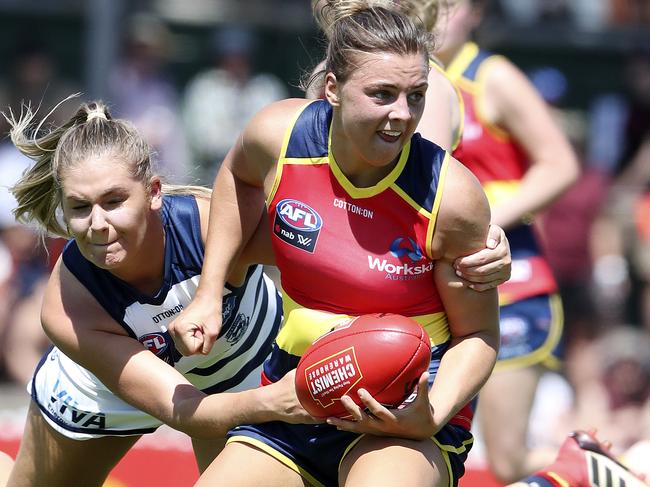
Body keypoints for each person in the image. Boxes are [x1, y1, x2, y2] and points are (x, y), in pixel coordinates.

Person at [170, 4, 501, 486]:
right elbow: (236, 176)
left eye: (416, 96)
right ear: (333, 90)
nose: (402, 115)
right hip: (297, 387)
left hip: (404, 409)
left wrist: (432, 414)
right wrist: (209, 292)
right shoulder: (279, 135)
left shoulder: (451, 198)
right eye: (382, 95)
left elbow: (480, 336)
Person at [2, 98, 316, 487]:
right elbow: (182, 408)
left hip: (242, 366)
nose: (97, 224)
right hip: (106, 391)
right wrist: (271, 403)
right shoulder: (68, 306)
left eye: (114, 201)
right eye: (80, 207)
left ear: (153, 192)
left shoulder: (209, 223)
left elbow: (326, 254)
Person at [431, 0, 581, 482]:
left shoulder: (491, 76)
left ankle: (595, 470)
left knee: (508, 460)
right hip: (449, 296)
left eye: (449, 6)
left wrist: (480, 217)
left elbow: (560, 164)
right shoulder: (413, 79)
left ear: (474, 13)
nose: (436, 17)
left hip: (515, 293)